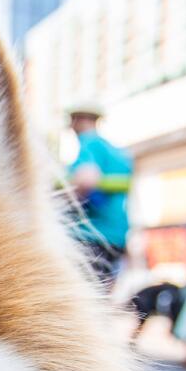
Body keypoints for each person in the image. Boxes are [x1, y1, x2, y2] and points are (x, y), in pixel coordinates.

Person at [66, 101, 133, 287]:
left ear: (79, 121)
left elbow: (87, 179)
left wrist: (62, 198)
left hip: (92, 235)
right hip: (115, 236)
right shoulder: (119, 153)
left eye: (72, 122)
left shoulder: (90, 143)